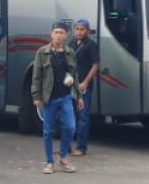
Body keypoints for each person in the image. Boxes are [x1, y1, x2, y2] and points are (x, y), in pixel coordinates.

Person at [31, 22, 83, 174]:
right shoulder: (42, 52)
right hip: (49, 98)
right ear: (51, 34)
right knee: (48, 131)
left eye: (61, 32)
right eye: (56, 32)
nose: (58, 35)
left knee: (70, 127)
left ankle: (64, 157)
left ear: (66, 35)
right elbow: (37, 76)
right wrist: (36, 96)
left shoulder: (70, 52)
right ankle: (49, 162)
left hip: (66, 96)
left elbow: (75, 75)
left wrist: (79, 96)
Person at [70, 18, 99, 157]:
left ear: (87, 30)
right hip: (71, 85)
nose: (79, 32)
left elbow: (95, 65)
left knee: (83, 117)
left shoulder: (91, 45)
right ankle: (67, 146)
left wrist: (86, 82)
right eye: (77, 29)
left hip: (84, 87)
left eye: (82, 29)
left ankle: (81, 147)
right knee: (69, 116)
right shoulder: (71, 43)